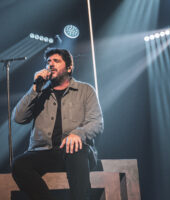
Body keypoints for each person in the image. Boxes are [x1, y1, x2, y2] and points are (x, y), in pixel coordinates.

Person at [11, 48, 103, 200]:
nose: (50, 65)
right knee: (19, 165)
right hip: (43, 153)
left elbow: (97, 122)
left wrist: (78, 134)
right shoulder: (39, 93)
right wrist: (35, 88)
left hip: (75, 153)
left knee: (76, 153)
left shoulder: (86, 90)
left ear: (69, 67)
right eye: (48, 62)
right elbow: (19, 118)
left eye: (56, 61)